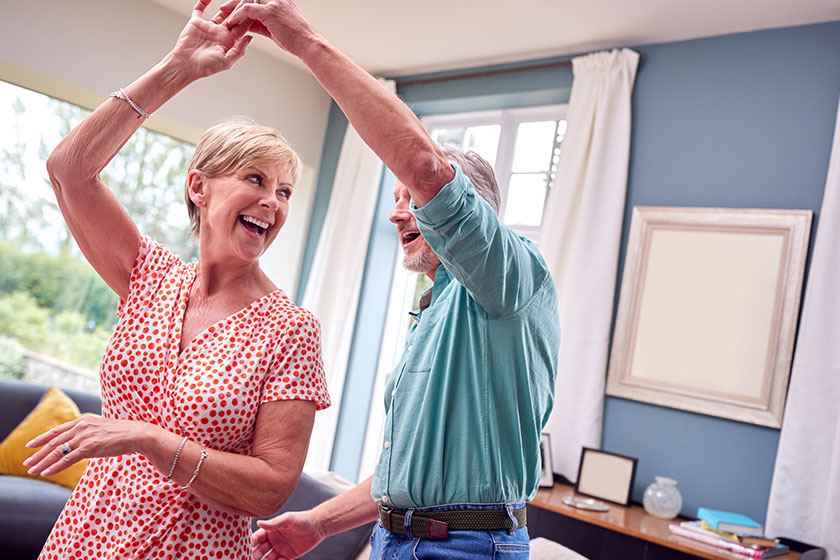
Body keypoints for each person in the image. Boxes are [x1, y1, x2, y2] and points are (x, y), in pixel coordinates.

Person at [221, 1, 561, 558]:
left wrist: (305, 40)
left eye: (412, 201)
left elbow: (426, 166)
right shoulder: (435, 310)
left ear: (467, 214)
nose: (396, 214)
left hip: (469, 546)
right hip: (395, 538)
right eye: (396, 199)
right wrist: (320, 523)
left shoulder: (515, 278)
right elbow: (405, 478)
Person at [22, 2, 330, 558]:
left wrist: (148, 438)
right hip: (82, 542)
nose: (272, 202)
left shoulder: (290, 330)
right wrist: (178, 68)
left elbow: (271, 488)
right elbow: (69, 170)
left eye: (285, 192)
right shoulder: (149, 276)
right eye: (255, 179)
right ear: (198, 187)